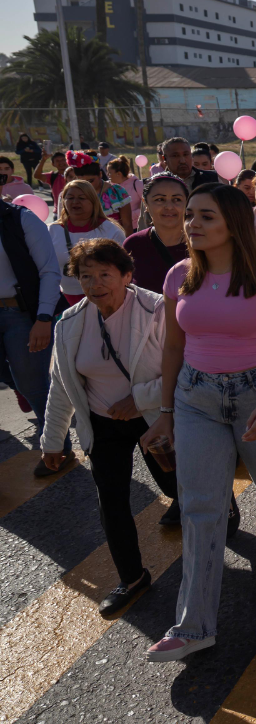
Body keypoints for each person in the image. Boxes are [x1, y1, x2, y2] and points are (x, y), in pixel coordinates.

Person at [143, 183, 256, 662]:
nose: (191, 223)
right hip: (197, 398)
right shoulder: (180, 276)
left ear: (232, 223)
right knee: (199, 507)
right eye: (190, 215)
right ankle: (193, 626)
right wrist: (168, 412)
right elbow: (173, 348)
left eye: (205, 217)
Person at [39, 238, 174, 615]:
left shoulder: (156, 309)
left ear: (127, 275)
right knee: (111, 502)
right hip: (102, 425)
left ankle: (219, 505)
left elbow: (184, 369)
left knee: (174, 483)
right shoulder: (69, 323)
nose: (96, 284)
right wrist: (52, 442)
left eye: (105, 274)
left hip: (152, 416)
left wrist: (140, 399)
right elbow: (62, 384)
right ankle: (131, 577)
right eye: (86, 276)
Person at [0, 192, 71, 476]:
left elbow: (49, 272)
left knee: (36, 387)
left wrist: (43, 317)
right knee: (20, 379)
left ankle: (56, 447)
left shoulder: (21, 219)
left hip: (22, 315)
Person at [50, 180, 127, 305]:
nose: (75, 202)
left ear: (93, 201)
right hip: (64, 298)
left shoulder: (110, 229)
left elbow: (124, 268)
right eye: (70, 198)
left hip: (105, 298)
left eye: (81, 198)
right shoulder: (53, 230)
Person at [122, 174, 190, 296]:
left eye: (177, 199)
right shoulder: (134, 245)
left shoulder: (202, 243)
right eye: (159, 199)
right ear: (145, 204)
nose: (169, 207)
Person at [105, 157, 144, 231]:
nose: (107, 175)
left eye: (109, 172)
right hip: (116, 229)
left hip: (136, 227)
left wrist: (128, 215)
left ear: (118, 174)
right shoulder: (108, 187)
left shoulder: (137, 184)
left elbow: (147, 206)